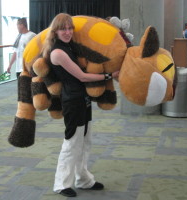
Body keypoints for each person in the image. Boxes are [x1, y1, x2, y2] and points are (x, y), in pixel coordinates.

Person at [42, 13, 119, 198]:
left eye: (70, 28)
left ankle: (83, 179)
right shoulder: (58, 52)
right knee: (72, 142)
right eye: (63, 29)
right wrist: (109, 76)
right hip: (72, 101)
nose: (68, 32)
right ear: (56, 31)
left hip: (82, 99)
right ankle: (61, 184)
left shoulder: (68, 46)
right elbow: (82, 76)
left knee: (85, 141)